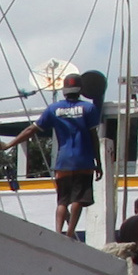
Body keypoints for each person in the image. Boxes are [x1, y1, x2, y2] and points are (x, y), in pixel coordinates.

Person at [42, 70, 106, 238]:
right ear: (81, 90)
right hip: (83, 161)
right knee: (78, 198)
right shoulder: (89, 108)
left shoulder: (54, 108)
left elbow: (33, 128)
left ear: (64, 90)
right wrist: (98, 163)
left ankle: (58, 231)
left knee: (62, 201)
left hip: (62, 162)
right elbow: (94, 138)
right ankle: (70, 232)